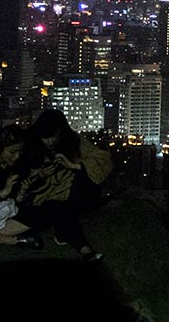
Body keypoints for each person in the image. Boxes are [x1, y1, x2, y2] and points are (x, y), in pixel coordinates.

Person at [16, 109, 112, 261]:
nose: (50, 141)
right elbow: (21, 181)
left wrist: (74, 166)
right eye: (45, 137)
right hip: (45, 198)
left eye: (54, 136)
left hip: (74, 193)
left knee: (69, 198)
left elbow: (103, 160)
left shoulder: (73, 140)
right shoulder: (29, 146)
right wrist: (40, 175)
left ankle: (65, 234)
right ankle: (84, 248)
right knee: (56, 207)